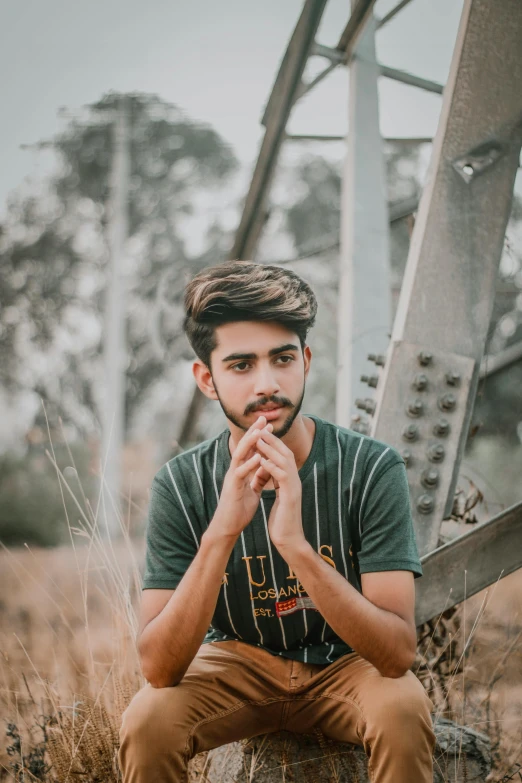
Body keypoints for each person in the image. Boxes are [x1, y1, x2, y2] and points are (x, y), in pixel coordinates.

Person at [119, 259, 436, 782]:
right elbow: (159, 668)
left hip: (347, 666)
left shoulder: (371, 467)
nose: (267, 383)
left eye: (282, 358)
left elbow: (397, 653)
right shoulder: (179, 484)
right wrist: (223, 528)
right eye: (241, 365)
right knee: (149, 722)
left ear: (306, 360)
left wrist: (295, 546)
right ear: (207, 377)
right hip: (235, 665)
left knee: (401, 708)